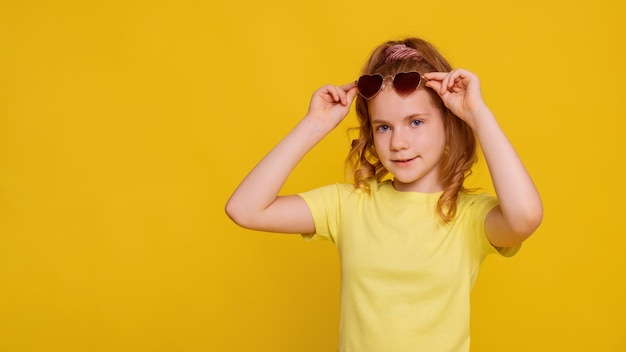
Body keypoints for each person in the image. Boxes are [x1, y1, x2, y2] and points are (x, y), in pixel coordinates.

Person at [225, 37, 543, 352]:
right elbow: (245, 209)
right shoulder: (348, 205)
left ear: (449, 123)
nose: (398, 143)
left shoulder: (469, 216)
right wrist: (314, 124)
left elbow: (525, 217)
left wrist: (477, 114)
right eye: (383, 127)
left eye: (415, 122)